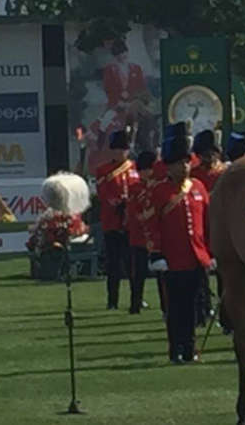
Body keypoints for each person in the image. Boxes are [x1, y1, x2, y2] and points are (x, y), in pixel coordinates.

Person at [146, 122, 215, 364]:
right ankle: (175, 349)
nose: (184, 166)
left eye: (187, 162)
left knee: (195, 307)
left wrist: (211, 251)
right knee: (175, 309)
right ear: (170, 165)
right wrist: (156, 254)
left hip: (196, 257)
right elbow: (151, 224)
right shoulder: (159, 192)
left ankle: (190, 349)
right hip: (172, 260)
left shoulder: (199, 187)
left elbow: (206, 223)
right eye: (179, 163)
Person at [96, 130, 138, 310]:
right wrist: (117, 203)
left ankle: (136, 299)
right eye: (117, 150)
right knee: (113, 265)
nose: (120, 153)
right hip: (112, 222)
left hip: (132, 224)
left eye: (123, 149)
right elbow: (103, 194)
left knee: (132, 265)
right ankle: (112, 301)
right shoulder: (103, 171)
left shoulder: (135, 168)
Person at [125, 151, 157, 314]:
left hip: (155, 236)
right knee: (138, 273)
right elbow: (133, 211)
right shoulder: (135, 188)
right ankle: (135, 303)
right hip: (140, 235)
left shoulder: (157, 186)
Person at [103, 39, 148, 110]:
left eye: (123, 52)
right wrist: (118, 102)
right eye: (118, 53)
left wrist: (135, 101)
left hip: (134, 103)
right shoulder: (110, 70)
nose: (122, 55)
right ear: (115, 56)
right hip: (117, 105)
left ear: (127, 51)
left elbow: (141, 87)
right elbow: (108, 89)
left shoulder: (136, 68)